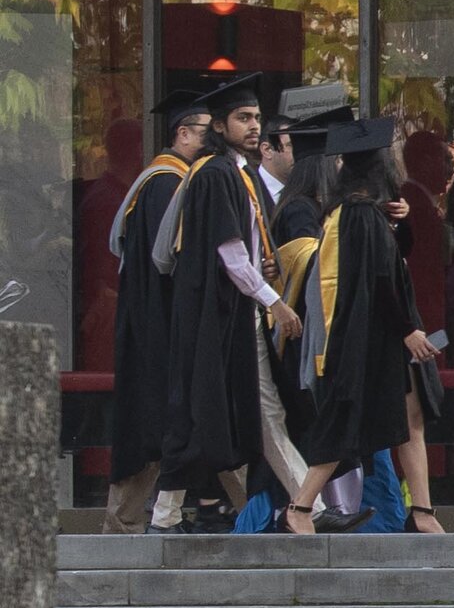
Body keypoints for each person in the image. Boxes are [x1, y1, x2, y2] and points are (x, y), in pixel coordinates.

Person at [155, 73, 311, 528]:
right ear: (219, 126)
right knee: (202, 411)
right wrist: (274, 301)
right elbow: (230, 253)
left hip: (234, 311)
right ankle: (164, 516)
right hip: (217, 314)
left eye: (257, 117)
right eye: (243, 118)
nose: (254, 126)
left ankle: (309, 506)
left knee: (260, 412)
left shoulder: (236, 173)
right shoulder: (215, 174)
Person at [280, 119, 450, 535]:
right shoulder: (360, 216)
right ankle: (299, 508)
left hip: (380, 336)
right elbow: (379, 279)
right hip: (371, 340)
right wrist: (408, 330)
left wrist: (401, 223)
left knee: (412, 420)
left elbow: (393, 259)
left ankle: (422, 512)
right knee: (346, 421)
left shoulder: (357, 214)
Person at [104, 101, 209, 532]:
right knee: (163, 425)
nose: (213, 140)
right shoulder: (166, 184)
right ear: (182, 134)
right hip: (160, 326)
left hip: (151, 324)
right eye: (206, 131)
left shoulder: (163, 181)